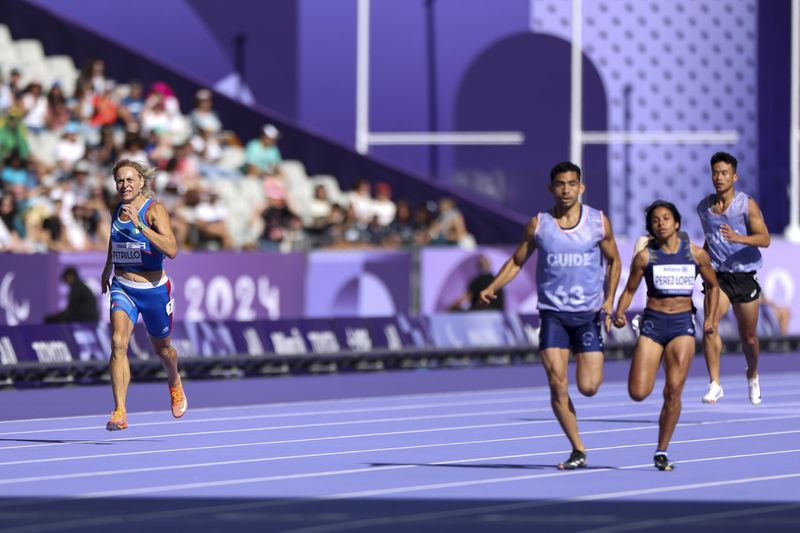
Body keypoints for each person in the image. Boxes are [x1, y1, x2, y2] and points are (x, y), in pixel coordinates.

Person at [479, 161, 621, 470]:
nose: (566, 189)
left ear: (581, 187)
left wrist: (609, 300)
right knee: (557, 384)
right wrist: (493, 286)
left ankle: (581, 427)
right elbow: (517, 262)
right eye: (560, 184)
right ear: (551, 188)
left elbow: (614, 261)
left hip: (586, 315)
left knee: (589, 387)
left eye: (572, 184)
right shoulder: (539, 224)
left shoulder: (598, 222)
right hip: (553, 314)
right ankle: (578, 449)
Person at [613, 201, 719, 471]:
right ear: (651, 227)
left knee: (673, 391)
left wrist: (710, 318)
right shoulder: (645, 257)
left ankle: (662, 450)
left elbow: (713, 285)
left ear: (677, 223)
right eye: (656, 220)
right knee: (638, 392)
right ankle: (648, 363)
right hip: (653, 324)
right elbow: (629, 290)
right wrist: (620, 311)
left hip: (682, 325)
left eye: (666, 218)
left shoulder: (696, 255)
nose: (661, 223)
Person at [100, 159, 187, 431]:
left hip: (153, 291)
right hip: (123, 285)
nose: (124, 185)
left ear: (141, 183)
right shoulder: (116, 209)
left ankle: (174, 380)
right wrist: (107, 268)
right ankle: (120, 411)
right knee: (118, 343)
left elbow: (171, 250)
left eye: (129, 180)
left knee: (163, 351)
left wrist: (140, 226)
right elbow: (116, 240)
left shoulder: (155, 210)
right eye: (119, 181)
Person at [697, 152, 770, 405]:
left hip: (744, 276)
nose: (719, 177)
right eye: (715, 172)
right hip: (718, 278)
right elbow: (711, 238)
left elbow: (765, 239)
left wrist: (739, 238)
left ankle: (752, 373)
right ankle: (715, 383)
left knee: (749, 339)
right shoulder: (704, 208)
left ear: (734, 176)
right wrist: (702, 263)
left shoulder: (746, 205)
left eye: (724, 173)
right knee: (709, 325)